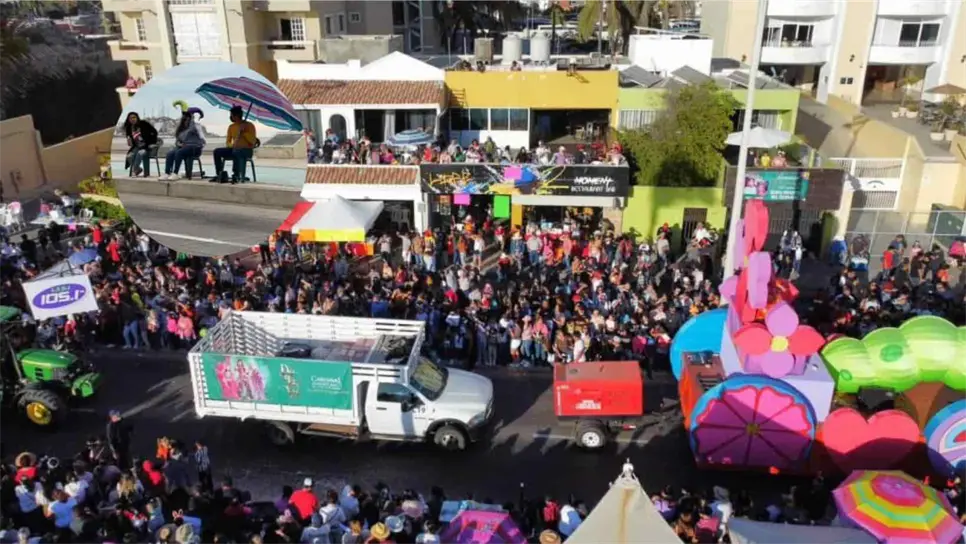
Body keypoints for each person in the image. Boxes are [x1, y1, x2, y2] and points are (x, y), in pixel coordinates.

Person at [213, 105, 257, 184]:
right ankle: (220, 174)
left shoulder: (250, 126)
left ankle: (236, 175)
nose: (230, 117)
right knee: (217, 151)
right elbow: (228, 142)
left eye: (231, 115)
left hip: (246, 150)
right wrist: (231, 145)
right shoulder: (231, 127)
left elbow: (253, 142)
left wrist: (244, 132)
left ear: (236, 116)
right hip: (234, 148)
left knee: (237, 152)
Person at [163, 109, 206, 181]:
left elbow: (193, 129)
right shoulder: (181, 131)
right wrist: (179, 144)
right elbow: (178, 142)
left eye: (188, 120)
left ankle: (175, 173)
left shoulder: (195, 126)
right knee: (170, 153)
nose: (186, 121)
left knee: (179, 152)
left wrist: (192, 119)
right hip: (185, 147)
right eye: (185, 120)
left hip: (195, 148)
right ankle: (167, 173)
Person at [122, 112, 158, 177]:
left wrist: (152, 143)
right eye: (130, 118)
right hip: (136, 146)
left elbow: (154, 132)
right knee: (129, 156)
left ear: (137, 118)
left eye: (134, 117)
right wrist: (129, 141)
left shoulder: (144, 124)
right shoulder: (129, 128)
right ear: (128, 120)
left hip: (146, 146)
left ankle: (134, 170)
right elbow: (130, 143)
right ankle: (138, 169)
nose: (132, 119)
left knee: (140, 153)